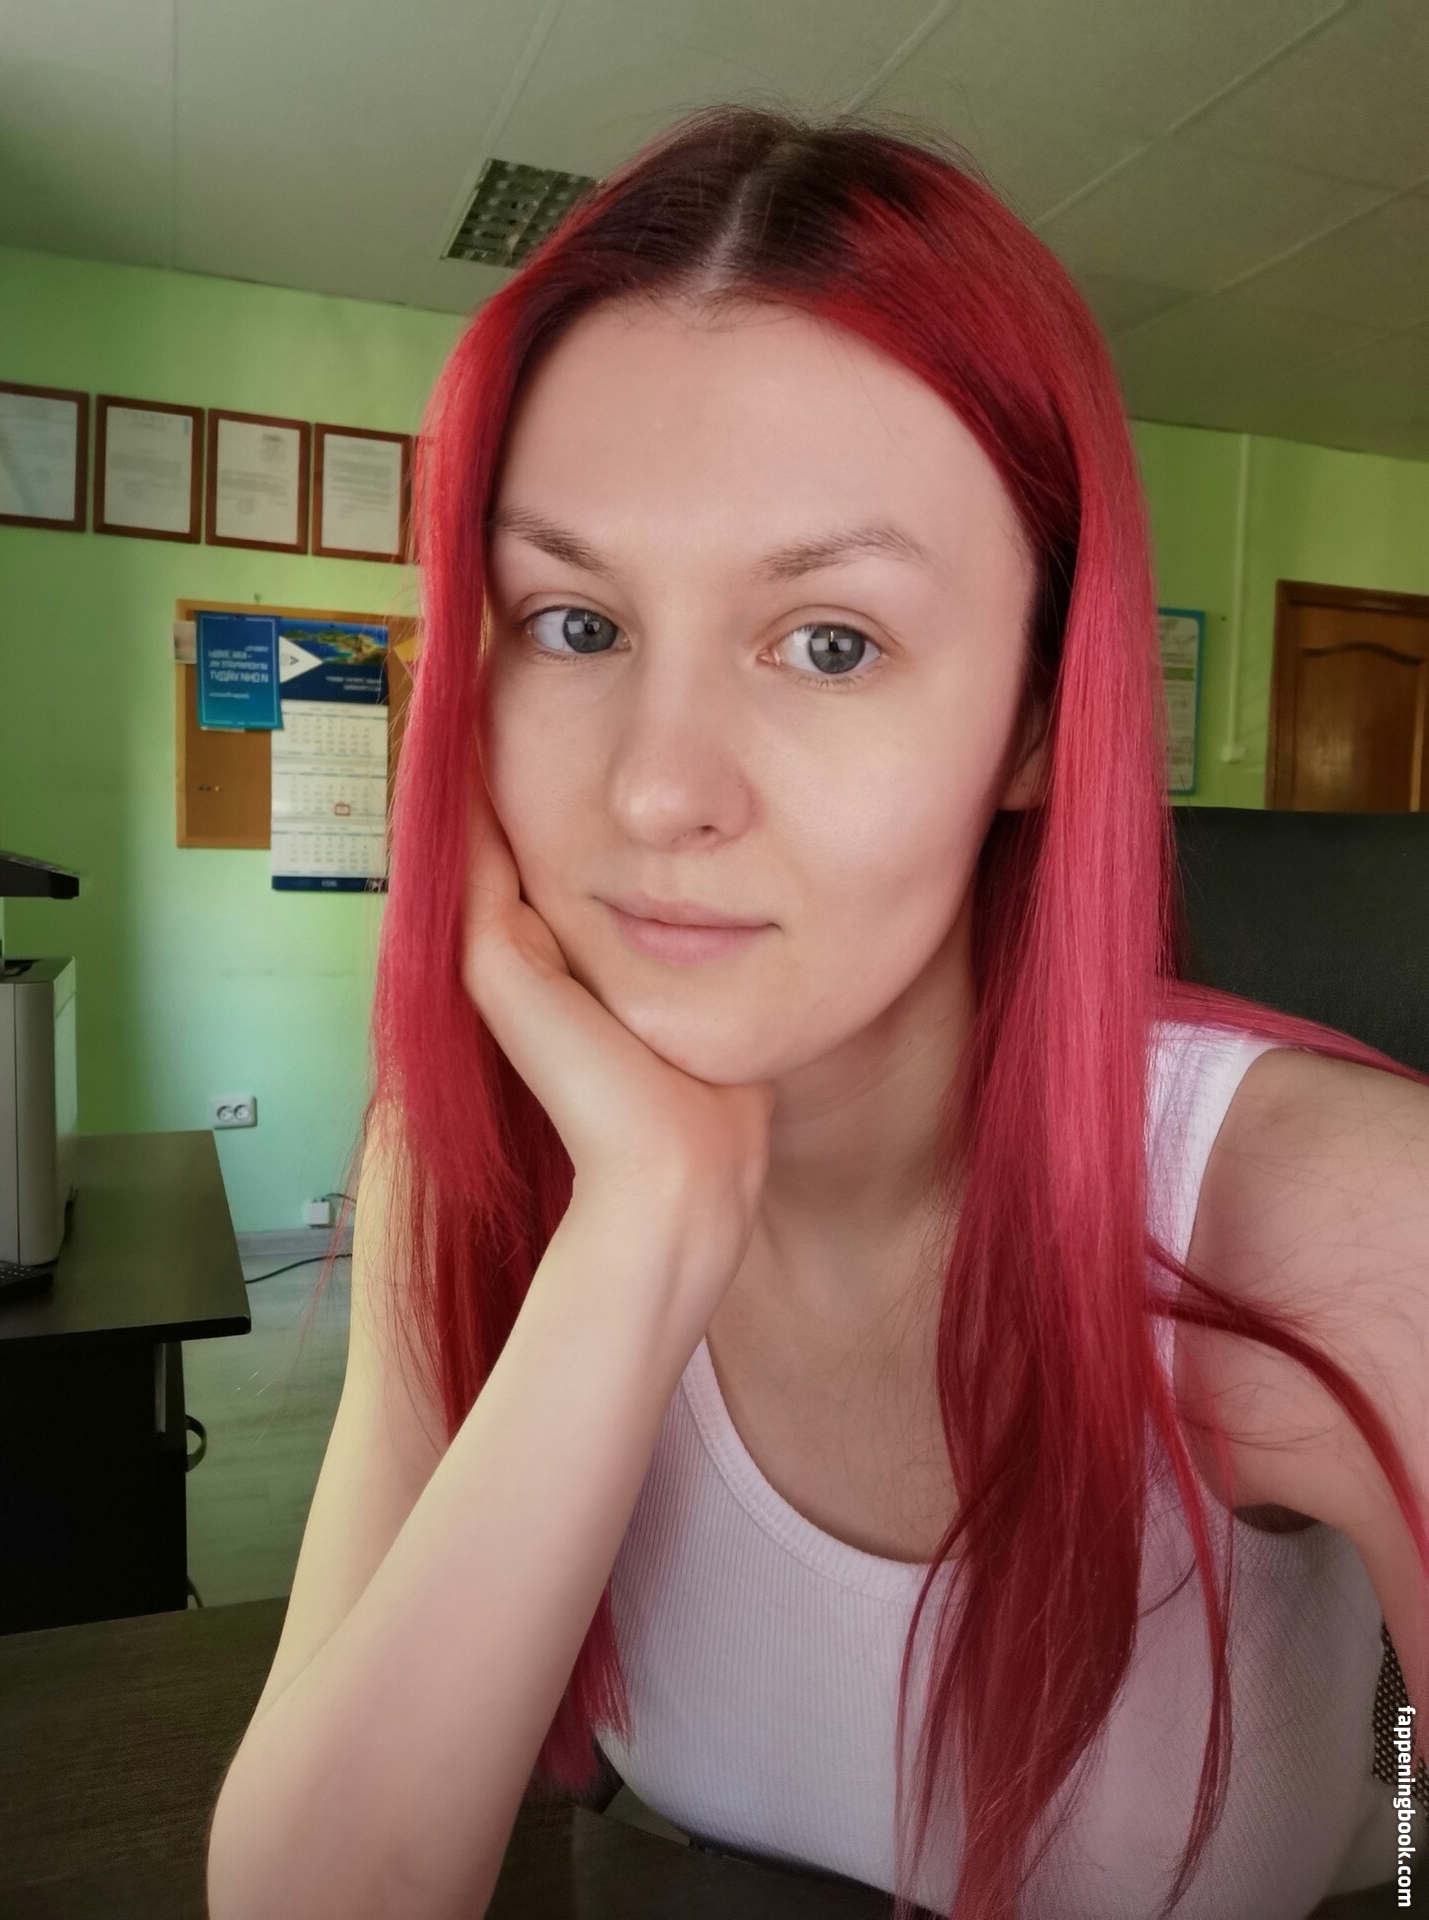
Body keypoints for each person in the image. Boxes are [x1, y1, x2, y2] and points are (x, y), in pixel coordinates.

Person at [204, 105, 1429, 1920]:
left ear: (1034, 722)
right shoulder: (462, 1166)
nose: (656, 790)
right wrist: (646, 1221)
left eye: (830, 642)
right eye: (575, 624)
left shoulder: (1350, 1225)